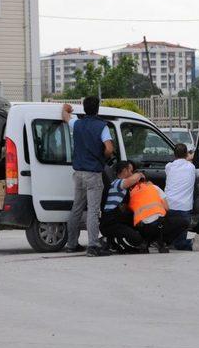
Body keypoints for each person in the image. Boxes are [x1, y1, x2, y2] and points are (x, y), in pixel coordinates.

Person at [62, 97, 115, 257]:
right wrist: (103, 155)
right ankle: (93, 246)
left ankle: (71, 244)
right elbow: (109, 148)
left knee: (76, 208)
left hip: (78, 174)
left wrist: (66, 108)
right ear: (98, 108)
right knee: (93, 210)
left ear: (84, 109)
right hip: (93, 173)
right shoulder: (102, 126)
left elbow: (65, 116)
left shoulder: (77, 124)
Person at [99, 161, 147, 254]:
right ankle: (111, 241)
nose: (132, 174)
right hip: (110, 222)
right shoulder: (117, 183)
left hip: (115, 220)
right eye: (131, 171)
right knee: (137, 239)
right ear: (125, 170)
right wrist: (139, 174)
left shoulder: (122, 187)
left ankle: (112, 240)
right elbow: (131, 180)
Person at [129, 181, 190, 253]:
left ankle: (147, 242)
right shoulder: (154, 187)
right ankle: (162, 241)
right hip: (158, 226)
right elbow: (166, 208)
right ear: (146, 181)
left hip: (142, 229)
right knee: (185, 221)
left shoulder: (132, 193)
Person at [165, 143, 199, 251]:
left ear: (174, 154)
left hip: (168, 209)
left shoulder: (169, 167)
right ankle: (187, 243)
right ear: (186, 154)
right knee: (180, 234)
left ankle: (174, 241)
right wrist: (190, 157)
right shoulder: (191, 167)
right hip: (184, 211)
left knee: (170, 234)